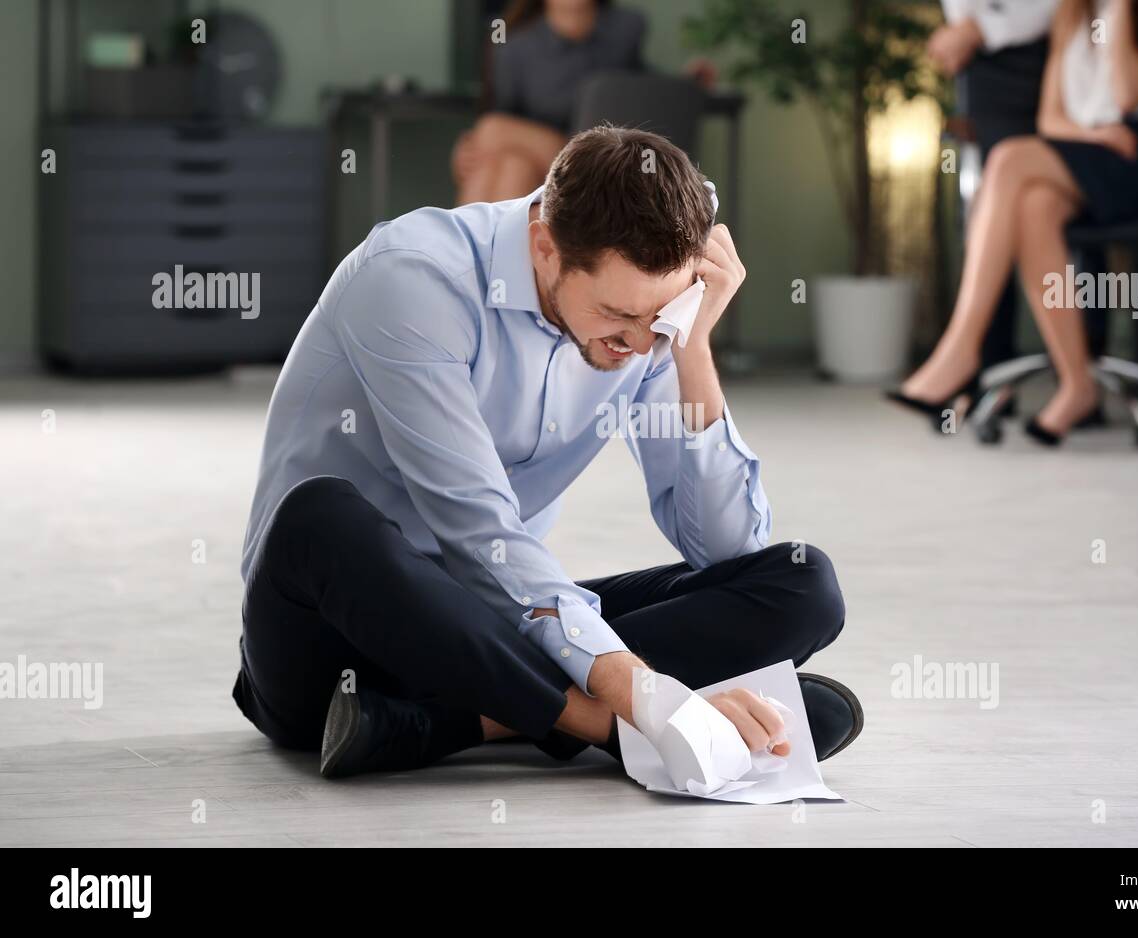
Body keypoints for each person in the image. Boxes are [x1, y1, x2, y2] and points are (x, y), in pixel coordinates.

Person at [232, 127, 862, 779]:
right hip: (331, 646)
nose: (641, 345)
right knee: (321, 514)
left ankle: (457, 724)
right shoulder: (414, 280)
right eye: (619, 317)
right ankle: (607, 729)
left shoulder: (650, 326)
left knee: (800, 583)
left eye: (662, 317)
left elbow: (727, 551)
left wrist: (693, 347)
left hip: (496, 629)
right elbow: (480, 535)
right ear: (545, 248)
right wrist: (652, 705)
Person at [890, 0, 1138, 444]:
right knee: (1033, 205)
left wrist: (1118, 8)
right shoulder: (1071, 11)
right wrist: (1092, 135)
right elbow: (1050, 119)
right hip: (1094, 143)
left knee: (1007, 159)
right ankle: (1077, 384)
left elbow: (1130, 91)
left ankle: (961, 348)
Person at [932, 0, 1060, 386]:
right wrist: (962, 34)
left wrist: (976, 30)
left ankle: (1075, 375)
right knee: (991, 217)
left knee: (1049, 214)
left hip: (1049, 65)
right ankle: (988, 371)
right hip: (985, 74)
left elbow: (1058, 6)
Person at [452, 0, 644, 205]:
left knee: (491, 130)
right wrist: (469, 149)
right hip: (540, 160)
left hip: (592, 154)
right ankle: (482, 237)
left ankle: (458, 236)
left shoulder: (625, 29)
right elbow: (505, 113)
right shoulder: (517, 43)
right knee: (514, 166)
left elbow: (640, 91)